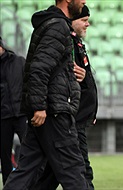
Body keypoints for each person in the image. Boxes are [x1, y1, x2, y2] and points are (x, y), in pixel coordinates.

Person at [3, 0, 89, 190]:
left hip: (48, 111)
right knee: (73, 170)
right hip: (53, 112)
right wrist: (39, 106)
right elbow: (39, 69)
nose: (84, 1)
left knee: (25, 171)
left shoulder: (54, 24)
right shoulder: (57, 27)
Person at [28, 5, 97, 190]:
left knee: (34, 171)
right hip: (62, 114)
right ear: (72, 21)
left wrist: (92, 108)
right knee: (77, 169)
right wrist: (39, 106)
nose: (87, 24)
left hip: (67, 113)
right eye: (84, 20)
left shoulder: (76, 42)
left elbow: (82, 80)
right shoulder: (60, 30)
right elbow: (41, 69)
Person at [0, 37, 27, 186]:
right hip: (3, 117)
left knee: (30, 150)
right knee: (4, 156)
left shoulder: (19, 62)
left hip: (21, 114)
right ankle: (8, 186)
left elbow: (29, 84)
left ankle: (33, 183)